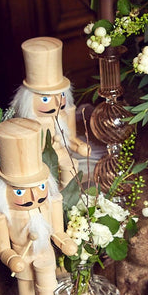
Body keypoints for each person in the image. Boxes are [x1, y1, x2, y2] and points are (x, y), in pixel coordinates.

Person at [0, 117, 77, 295]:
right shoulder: (2, 214)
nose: (32, 196)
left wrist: (65, 243)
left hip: (45, 257)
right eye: (19, 190)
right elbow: (2, 248)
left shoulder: (52, 203)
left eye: (39, 187)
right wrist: (12, 259)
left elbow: (57, 232)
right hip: (23, 260)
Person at [11, 37, 92, 188]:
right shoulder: (29, 124)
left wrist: (79, 146)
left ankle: (70, 200)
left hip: (61, 153)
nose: (56, 104)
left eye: (60, 96)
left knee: (71, 168)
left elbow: (71, 138)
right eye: (46, 99)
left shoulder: (64, 114)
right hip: (39, 160)